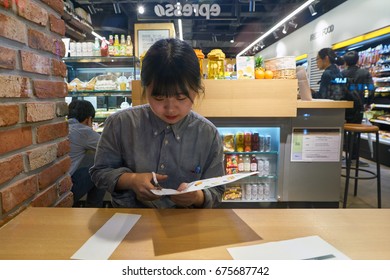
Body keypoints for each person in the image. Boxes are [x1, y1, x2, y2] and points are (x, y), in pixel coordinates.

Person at [90, 38, 225, 208]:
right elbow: (100, 172)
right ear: (145, 88)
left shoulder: (207, 133)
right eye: (159, 98)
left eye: (181, 98)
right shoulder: (120, 124)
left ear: (197, 89)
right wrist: (131, 180)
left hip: (186, 224)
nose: (170, 109)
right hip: (130, 222)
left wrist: (197, 196)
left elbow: (217, 189)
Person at [68, 99, 106, 207]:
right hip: (68, 190)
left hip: (57, 185)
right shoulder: (84, 131)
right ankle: (94, 208)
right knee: (100, 169)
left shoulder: (63, 127)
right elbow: (110, 147)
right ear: (89, 119)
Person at [342, 50, 376, 166]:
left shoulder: (342, 74)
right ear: (358, 60)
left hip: (344, 107)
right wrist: (368, 102)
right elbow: (371, 89)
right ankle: (353, 158)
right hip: (358, 106)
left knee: (343, 130)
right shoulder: (364, 73)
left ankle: (342, 155)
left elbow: (337, 90)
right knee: (355, 133)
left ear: (345, 62)